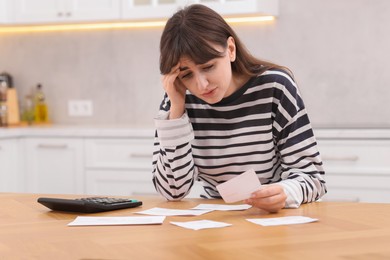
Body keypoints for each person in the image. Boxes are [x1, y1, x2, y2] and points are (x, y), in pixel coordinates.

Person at [152, 4, 326, 213]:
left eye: (208, 67)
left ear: (231, 50)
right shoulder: (177, 101)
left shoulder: (275, 88)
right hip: (216, 220)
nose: (201, 85)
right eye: (186, 74)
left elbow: (314, 178)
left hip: (272, 218)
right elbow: (172, 191)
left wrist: (285, 192)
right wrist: (177, 111)